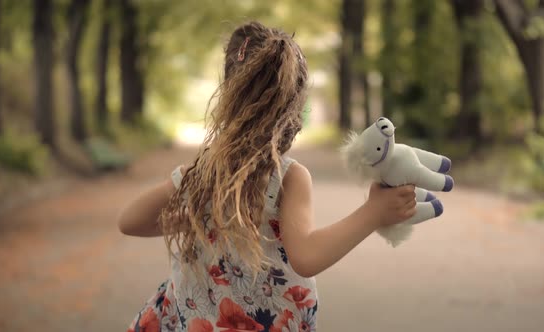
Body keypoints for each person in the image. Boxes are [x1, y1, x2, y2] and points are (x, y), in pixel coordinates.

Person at [118, 21, 416, 332]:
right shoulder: (289, 177)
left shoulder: (201, 174)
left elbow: (130, 221)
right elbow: (307, 256)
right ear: (294, 106)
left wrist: (192, 212)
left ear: (228, 94)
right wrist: (372, 213)